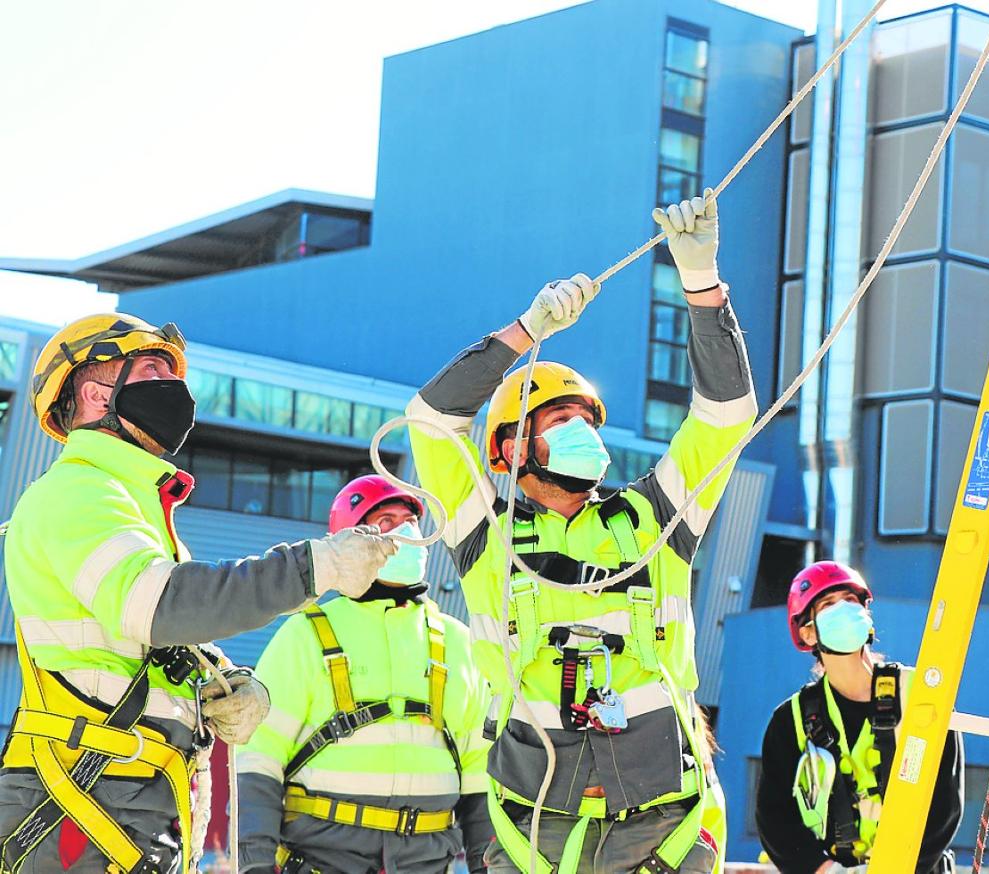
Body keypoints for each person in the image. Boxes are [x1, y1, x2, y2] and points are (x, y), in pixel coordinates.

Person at [407, 190, 753, 872]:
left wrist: (702, 284)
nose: (583, 435)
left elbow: (726, 414)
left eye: (587, 422)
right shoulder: (486, 536)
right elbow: (430, 421)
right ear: (509, 452)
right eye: (560, 422)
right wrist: (525, 333)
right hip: (533, 833)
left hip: (665, 830)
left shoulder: (656, 519)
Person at [0, 314, 398, 873]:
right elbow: (162, 606)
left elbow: (150, 642)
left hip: (125, 796)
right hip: (80, 804)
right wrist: (315, 566)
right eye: (153, 369)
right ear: (94, 392)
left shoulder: (130, 503)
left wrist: (223, 679)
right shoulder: (76, 493)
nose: (176, 390)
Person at [236, 474, 494, 874]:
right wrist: (254, 864)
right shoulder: (305, 634)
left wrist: (487, 866)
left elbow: (480, 770)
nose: (406, 533)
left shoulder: (458, 642)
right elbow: (259, 758)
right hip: (323, 862)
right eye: (387, 521)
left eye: (410, 521)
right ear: (351, 538)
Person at [755, 562, 964, 874]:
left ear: (866, 616)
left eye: (850, 600)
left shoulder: (920, 696)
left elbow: (944, 804)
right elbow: (775, 819)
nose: (843, 609)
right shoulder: (791, 721)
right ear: (808, 633)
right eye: (827, 604)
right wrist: (827, 871)